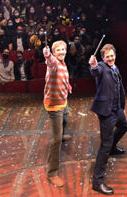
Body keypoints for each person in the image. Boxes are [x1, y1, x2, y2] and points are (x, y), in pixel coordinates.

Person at [89, 44, 127, 195]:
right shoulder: (101, 67)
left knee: (124, 126)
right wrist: (93, 65)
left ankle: (112, 147)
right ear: (103, 58)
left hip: (117, 109)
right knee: (105, 145)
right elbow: (95, 71)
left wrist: (122, 107)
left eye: (112, 55)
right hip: (106, 112)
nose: (110, 58)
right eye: (107, 57)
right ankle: (97, 182)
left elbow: (120, 88)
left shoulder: (115, 68)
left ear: (115, 55)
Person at [43, 41, 73, 188]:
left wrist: (67, 85)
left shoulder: (63, 63)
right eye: (58, 50)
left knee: (66, 118)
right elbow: (50, 62)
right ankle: (52, 173)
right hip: (54, 105)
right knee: (56, 140)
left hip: (63, 100)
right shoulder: (53, 63)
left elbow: (62, 77)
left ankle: (62, 134)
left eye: (63, 49)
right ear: (54, 53)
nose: (61, 52)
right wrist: (47, 55)